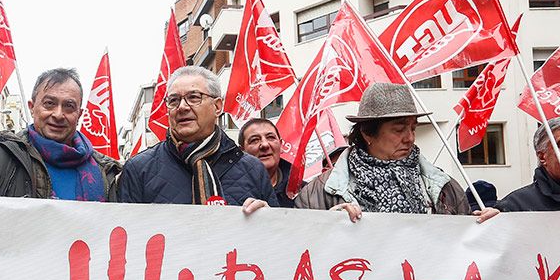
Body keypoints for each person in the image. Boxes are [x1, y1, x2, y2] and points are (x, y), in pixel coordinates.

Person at [0, 61, 119, 201]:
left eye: (69, 106)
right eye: (49, 104)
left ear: (80, 114)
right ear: (32, 107)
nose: (58, 114)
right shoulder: (3, 156)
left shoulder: (108, 174)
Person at [295, 82, 468, 219]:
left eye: (413, 128)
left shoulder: (444, 187)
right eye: (399, 130)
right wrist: (326, 225)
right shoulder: (321, 192)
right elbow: (301, 248)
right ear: (367, 133)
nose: (410, 138)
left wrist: (486, 227)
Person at [119, 66, 272, 213]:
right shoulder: (139, 169)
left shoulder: (253, 169)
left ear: (217, 106)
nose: (182, 107)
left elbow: (276, 234)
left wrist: (267, 218)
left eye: (194, 97)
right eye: (174, 100)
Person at [239, 118, 293, 208]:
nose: (265, 145)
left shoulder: (303, 191)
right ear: (242, 151)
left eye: (271, 138)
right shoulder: (226, 191)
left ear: (281, 145)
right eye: (255, 140)